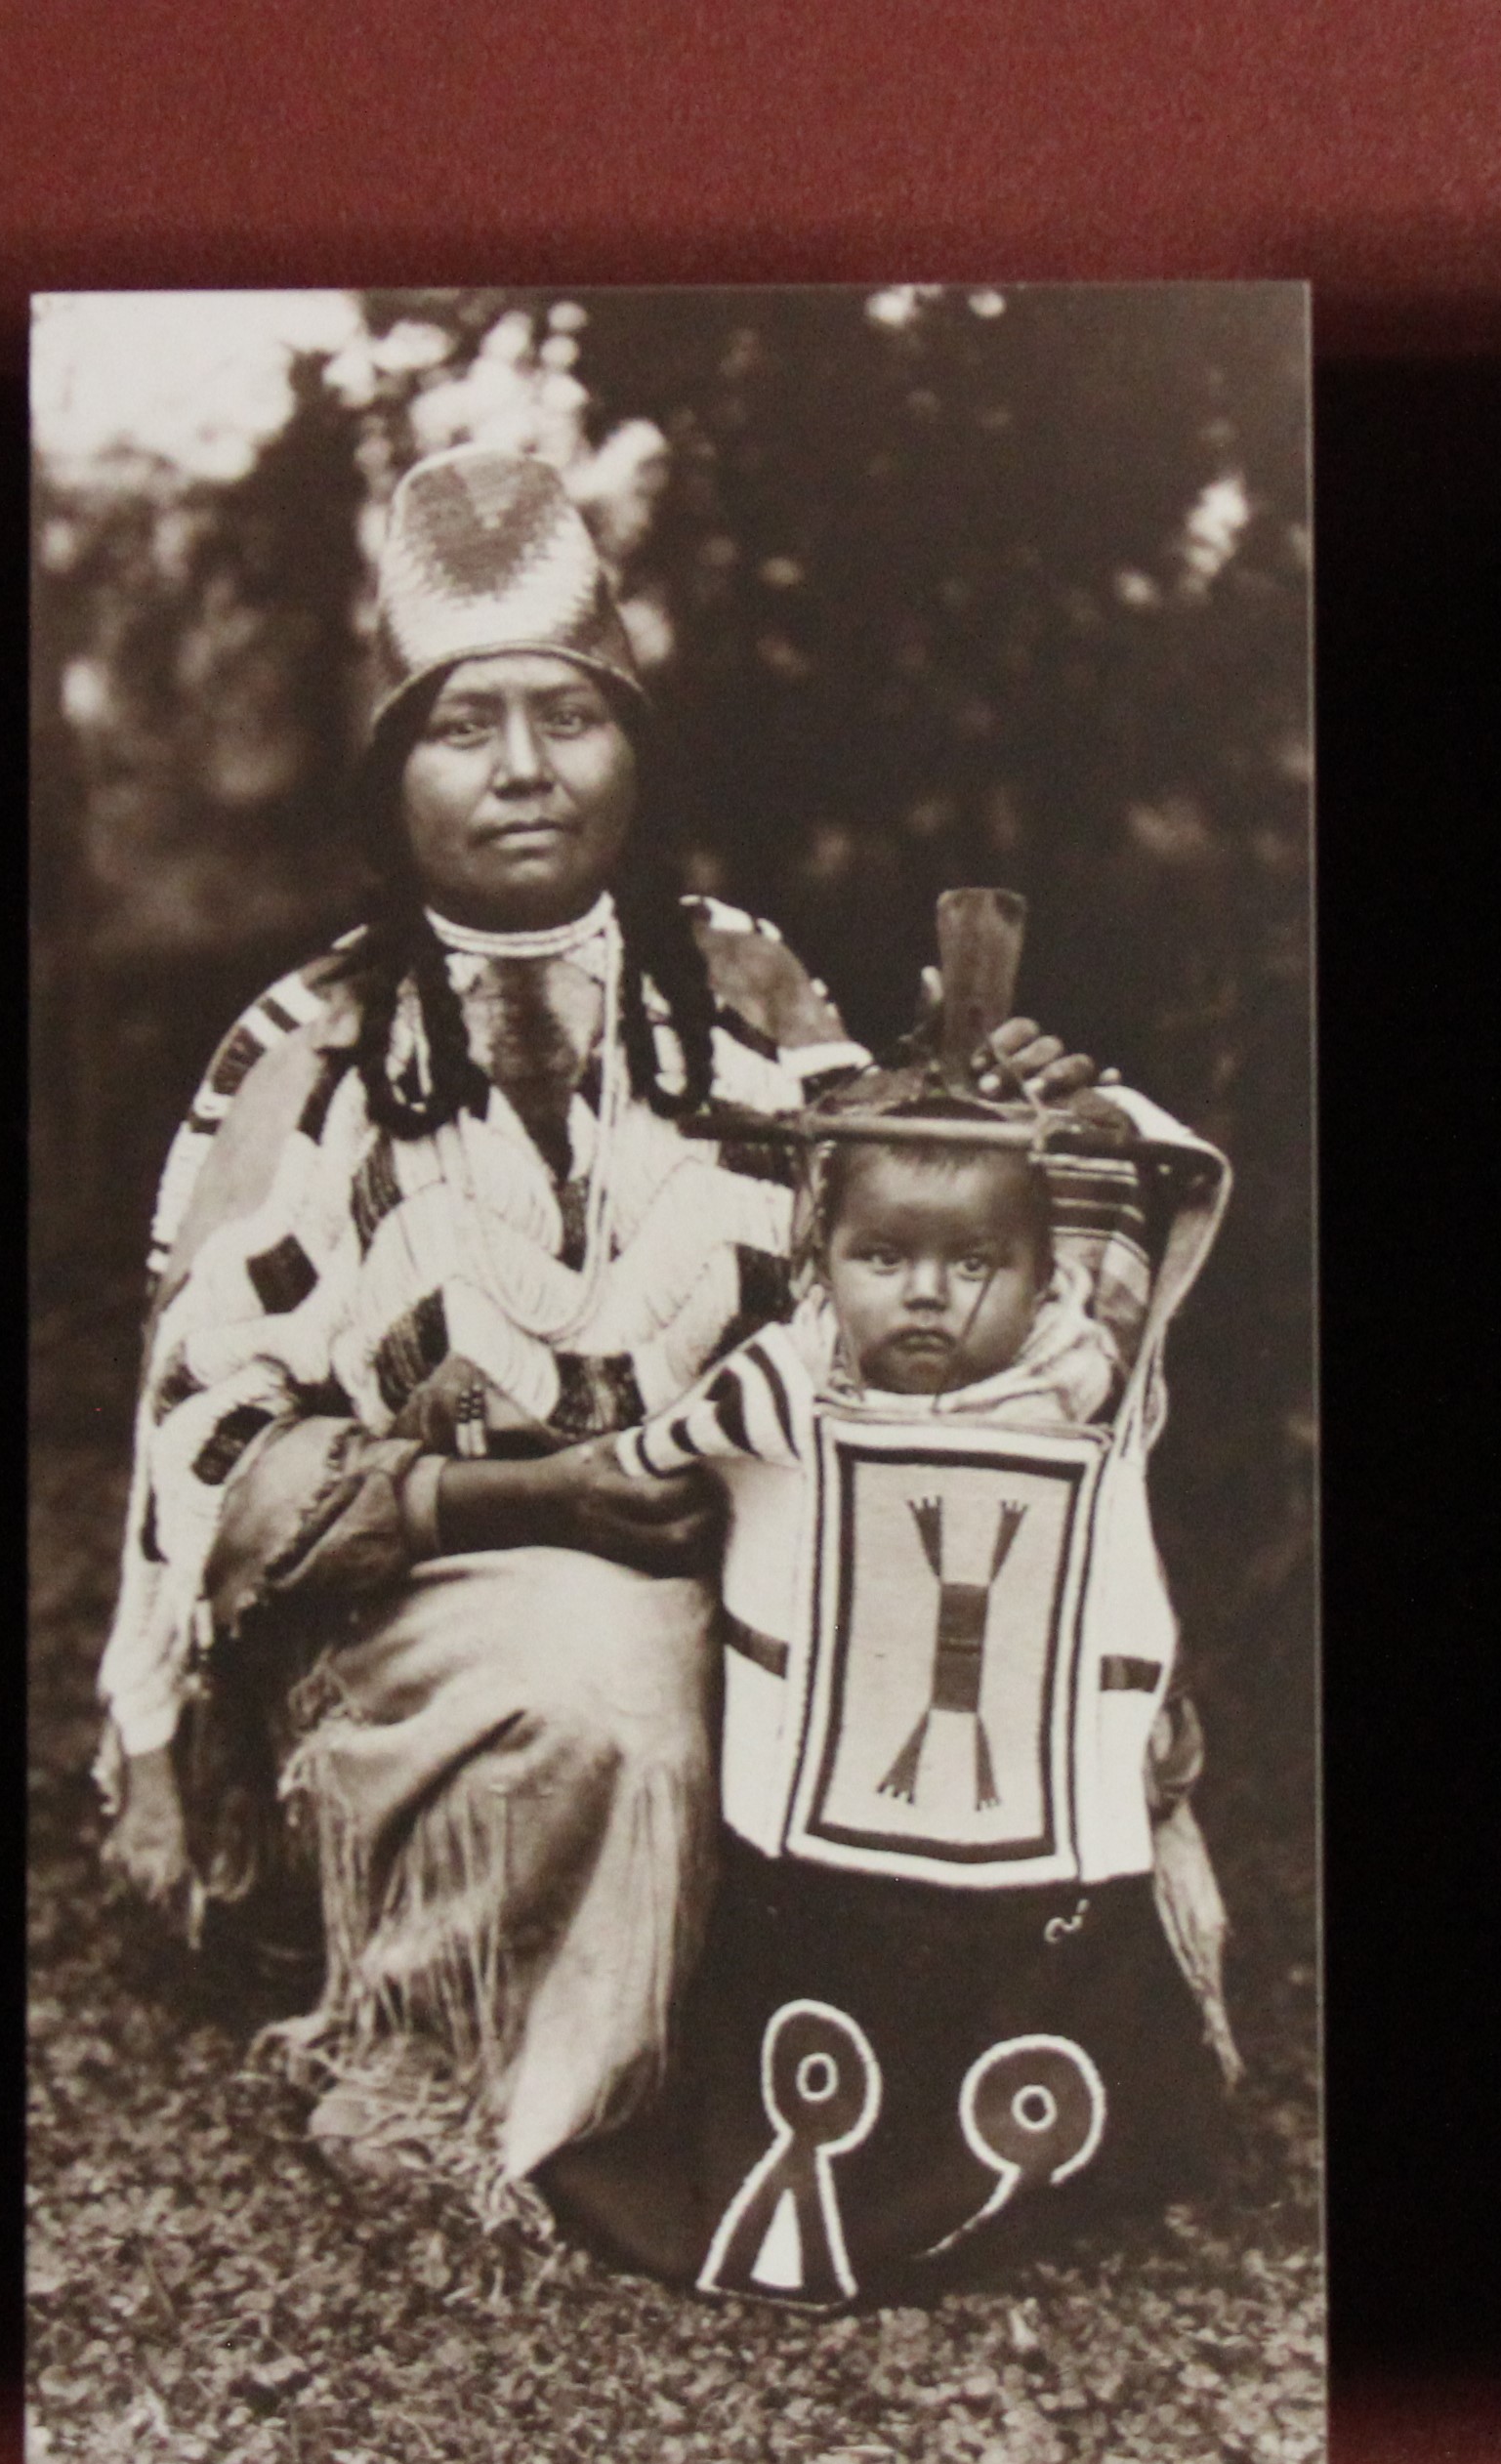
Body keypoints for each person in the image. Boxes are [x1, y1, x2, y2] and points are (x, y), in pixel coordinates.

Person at [92, 444, 1103, 2214]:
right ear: (386, 768)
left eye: (566, 717)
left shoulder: (740, 987)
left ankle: (894, 2087)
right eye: (459, 726)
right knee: (617, 1685)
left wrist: (1003, 1139)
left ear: (633, 743)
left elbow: (893, 1267)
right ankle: (474, 2071)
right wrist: (531, 1498)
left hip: (747, 1536)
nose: (521, 770)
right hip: (428, 1604)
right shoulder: (313, 1044)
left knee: (986, 1624)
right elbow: (219, 1455)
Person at [533, 1045, 1241, 2303]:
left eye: (977, 1266)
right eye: (884, 1260)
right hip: (818, 1823)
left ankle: (1079, 2147)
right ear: (821, 1265)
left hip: (1026, 1828)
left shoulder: (1086, 1394)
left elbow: (1172, 1174)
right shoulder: (784, 1387)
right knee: (823, 2008)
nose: (929, 1296)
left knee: (1023, 2008)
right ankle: (814, 2183)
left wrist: (1089, 1109)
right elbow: (644, 1457)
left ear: (1043, 1276)